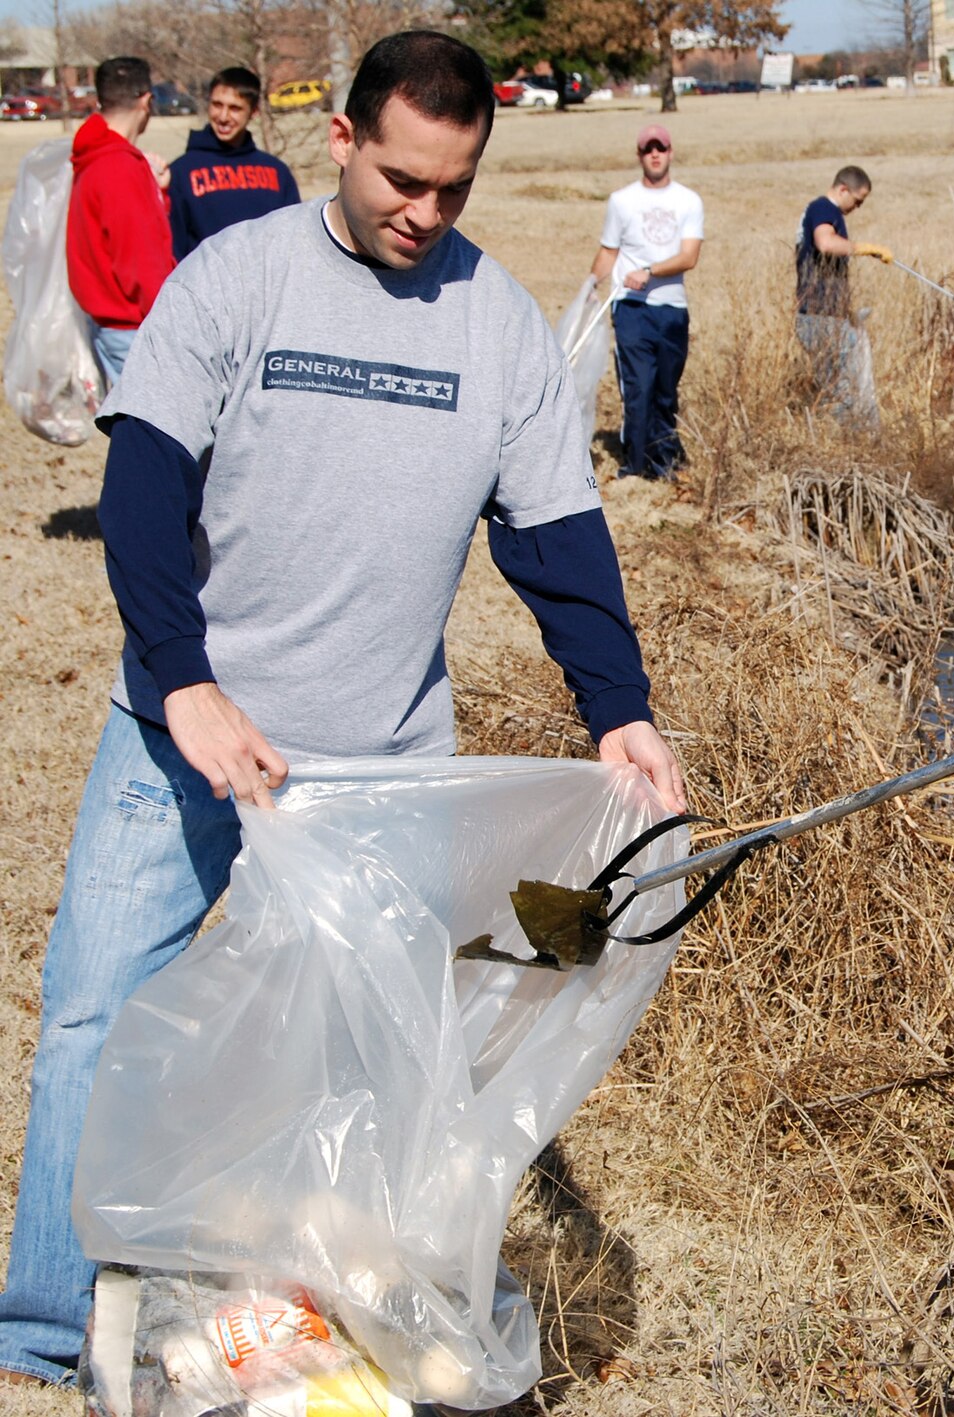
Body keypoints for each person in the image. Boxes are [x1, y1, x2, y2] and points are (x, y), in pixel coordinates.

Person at [0, 30, 685, 1388]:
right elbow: (142, 496)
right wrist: (184, 682)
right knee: (93, 1009)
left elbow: (555, 531)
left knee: (374, 1052)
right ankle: (41, 1329)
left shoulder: (494, 326)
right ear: (345, 142)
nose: (425, 213)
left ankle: (335, 1313)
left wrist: (619, 706)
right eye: (404, 181)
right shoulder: (236, 280)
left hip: (380, 765)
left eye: (455, 188)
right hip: (188, 740)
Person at [589, 123, 703, 480]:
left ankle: (665, 460)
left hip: (672, 308)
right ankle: (635, 466)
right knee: (638, 387)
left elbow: (689, 257)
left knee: (665, 390)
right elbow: (609, 250)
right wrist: (591, 286)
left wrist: (649, 271)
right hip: (631, 307)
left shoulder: (688, 201)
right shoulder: (622, 201)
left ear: (670, 153)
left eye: (661, 148)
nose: (655, 154)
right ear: (639, 155)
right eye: (648, 148)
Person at [66, 55, 174, 388]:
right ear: (147, 100)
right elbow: (141, 261)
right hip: (134, 330)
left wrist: (158, 193)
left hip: (110, 326)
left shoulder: (95, 158)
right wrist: (171, 325)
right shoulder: (119, 168)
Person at [166, 66, 301, 259]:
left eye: (235, 108)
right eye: (217, 105)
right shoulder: (181, 172)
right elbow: (174, 249)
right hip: (204, 286)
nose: (223, 117)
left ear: (253, 112)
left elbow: (291, 243)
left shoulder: (277, 173)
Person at [795, 166, 889, 430]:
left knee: (843, 386)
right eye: (857, 201)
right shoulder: (824, 208)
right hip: (820, 316)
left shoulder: (820, 210)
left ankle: (851, 442)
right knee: (843, 391)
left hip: (823, 315)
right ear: (843, 189)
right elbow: (825, 243)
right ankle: (849, 446)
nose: (857, 208)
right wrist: (863, 248)